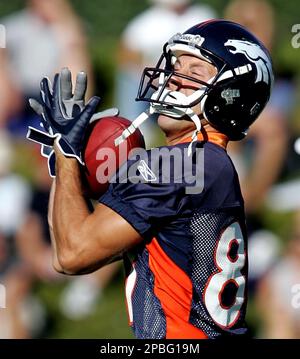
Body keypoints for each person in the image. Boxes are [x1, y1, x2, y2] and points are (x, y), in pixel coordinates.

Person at [28, 20, 273, 339]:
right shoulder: (207, 165)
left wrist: (67, 156)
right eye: (175, 67)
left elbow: (71, 254)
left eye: (194, 72)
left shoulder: (182, 164)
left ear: (230, 94)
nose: (173, 80)